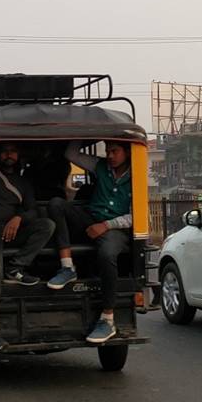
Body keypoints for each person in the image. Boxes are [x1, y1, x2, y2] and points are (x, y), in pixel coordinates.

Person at [0, 142, 53, 352]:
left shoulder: (23, 183)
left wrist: (18, 218)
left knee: (47, 225)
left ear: (19, 155)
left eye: (13, 151)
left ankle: (16, 267)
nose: (9, 155)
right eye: (5, 150)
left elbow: (32, 210)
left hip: (10, 230)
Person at [46, 140, 134, 344]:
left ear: (128, 152)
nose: (110, 156)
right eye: (108, 151)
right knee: (57, 204)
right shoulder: (100, 166)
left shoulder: (136, 175)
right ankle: (67, 267)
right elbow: (70, 152)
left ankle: (108, 318)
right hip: (90, 218)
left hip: (115, 229)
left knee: (107, 254)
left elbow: (136, 216)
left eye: (115, 151)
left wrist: (107, 225)